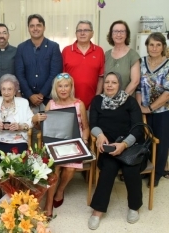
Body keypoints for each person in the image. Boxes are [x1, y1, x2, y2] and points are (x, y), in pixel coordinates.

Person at [88, 72, 145, 230]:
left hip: (130, 146)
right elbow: (93, 123)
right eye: (107, 82)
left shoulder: (130, 101)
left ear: (119, 84)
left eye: (114, 82)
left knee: (130, 170)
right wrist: (99, 135)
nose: (110, 85)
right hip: (109, 146)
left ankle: (134, 207)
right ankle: (98, 211)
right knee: (108, 169)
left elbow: (139, 128)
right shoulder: (97, 100)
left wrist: (124, 145)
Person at [41, 73, 89, 218]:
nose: (63, 89)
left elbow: (86, 127)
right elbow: (44, 127)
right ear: (56, 88)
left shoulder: (78, 104)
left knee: (69, 168)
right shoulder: (51, 104)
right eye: (60, 86)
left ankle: (60, 190)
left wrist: (85, 140)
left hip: (74, 144)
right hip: (55, 144)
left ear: (71, 87)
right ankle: (48, 204)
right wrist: (38, 119)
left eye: (66, 86)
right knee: (55, 169)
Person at [136, 32, 169, 187]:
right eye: (151, 44)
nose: (154, 48)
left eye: (158, 45)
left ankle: (156, 174)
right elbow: (137, 87)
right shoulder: (141, 62)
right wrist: (139, 108)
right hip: (143, 109)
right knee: (144, 140)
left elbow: (167, 93)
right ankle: (144, 169)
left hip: (163, 112)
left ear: (163, 47)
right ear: (147, 46)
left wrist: (149, 108)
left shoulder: (168, 64)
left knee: (161, 143)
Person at [0, 74, 35, 166]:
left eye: (9, 89)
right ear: (0, 91)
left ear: (15, 91)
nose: (6, 92)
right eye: (3, 89)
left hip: (18, 140)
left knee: (19, 162)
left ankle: (15, 180)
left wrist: (20, 126)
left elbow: (32, 121)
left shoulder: (23, 102)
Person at [15, 14, 63, 111]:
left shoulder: (53, 47)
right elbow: (19, 73)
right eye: (32, 26)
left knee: (49, 126)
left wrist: (42, 94)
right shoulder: (21, 48)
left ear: (44, 27)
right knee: (28, 126)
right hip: (27, 100)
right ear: (28, 29)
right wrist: (30, 94)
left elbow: (55, 73)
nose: (35, 28)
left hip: (49, 100)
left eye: (38, 25)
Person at [62, 20, 104, 109]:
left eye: (86, 30)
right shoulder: (66, 51)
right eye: (79, 30)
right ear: (75, 33)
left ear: (92, 33)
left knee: (89, 123)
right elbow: (62, 78)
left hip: (91, 104)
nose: (82, 33)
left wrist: (96, 100)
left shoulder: (99, 51)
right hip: (69, 103)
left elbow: (101, 78)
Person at [105, 20, 140, 95]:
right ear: (111, 34)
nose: (118, 34)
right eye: (115, 31)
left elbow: (135, 81)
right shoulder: (106, 55)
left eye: (122, 31)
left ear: (126, 34)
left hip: (125, 101)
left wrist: (120, 99)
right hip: (107, 100)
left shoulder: (133, 55)